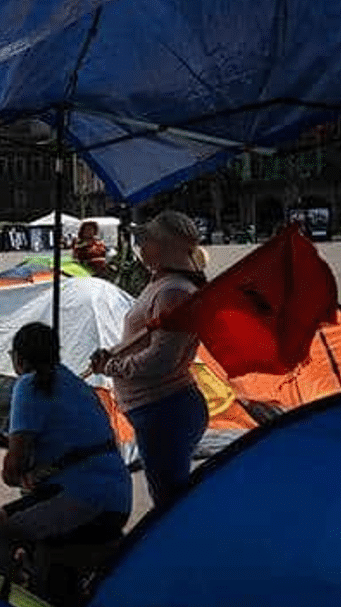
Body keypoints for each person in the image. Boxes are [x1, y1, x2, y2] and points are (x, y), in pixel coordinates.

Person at [0, 323, 131, 573]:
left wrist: (22, 472)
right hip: (119, 496)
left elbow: (12, 471)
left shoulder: (30, 385)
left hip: (84, 499)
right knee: (27, 516)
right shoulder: (77, 384)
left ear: (19, 358)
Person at [90, 210, 209, 507]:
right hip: (157, 410)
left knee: (170, 502)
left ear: (164, 246)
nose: (140, 247)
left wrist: (111, 366)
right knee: (169, 494)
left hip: (164, 410)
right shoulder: (161, 284)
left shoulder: (175, 293)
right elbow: (143, 338)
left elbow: (161, 360)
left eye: (147, 240)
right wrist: (114, 352)